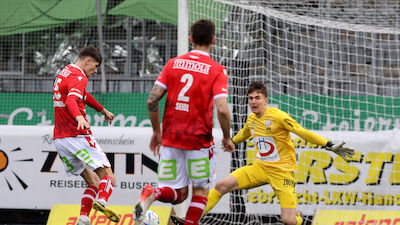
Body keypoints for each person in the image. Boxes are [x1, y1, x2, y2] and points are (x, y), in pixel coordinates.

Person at [201, 81, 355, 225]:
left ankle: (300, 220)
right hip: (260, 169)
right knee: (222, 185)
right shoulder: (252, 119)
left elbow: (301, 132)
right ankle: (191, 220)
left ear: (266, 100)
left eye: (258, 98)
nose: (254, 102)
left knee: (289, 220)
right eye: (251, 98)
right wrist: (232, 141)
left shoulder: (278, 116)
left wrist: (328, 144)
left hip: (282, 173)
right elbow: (245, 132)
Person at [133, 19, 235, 225]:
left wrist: (156, 131)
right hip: (198, 141)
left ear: (190, 39)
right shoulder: (216, 70)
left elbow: (152, 100)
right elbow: (223, 109)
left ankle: (153, 193)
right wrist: (226, 136)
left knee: (178, 194)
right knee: (200, 191)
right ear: (213, 40)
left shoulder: (173, 64)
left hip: (171, 139)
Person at [52, 46, 120, 225]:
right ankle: (102, 201)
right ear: (88, 61)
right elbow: (71, 100)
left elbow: (81, 95)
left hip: (60, 140)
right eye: (95, 66)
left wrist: (101, 109)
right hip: (77, 136)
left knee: (93, 182)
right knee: (108, 176)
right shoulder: (80, 76)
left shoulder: (65, 72)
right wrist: (79, 117)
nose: (95, 71)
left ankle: (83, 219)